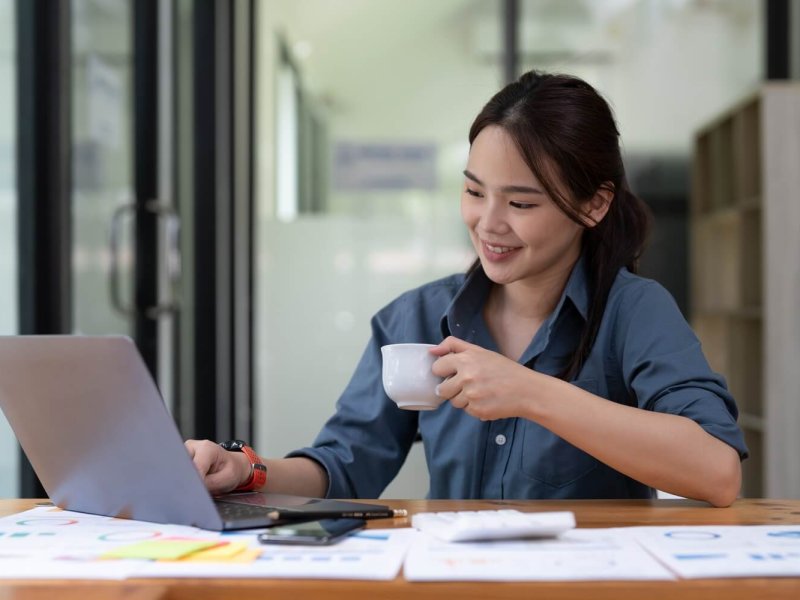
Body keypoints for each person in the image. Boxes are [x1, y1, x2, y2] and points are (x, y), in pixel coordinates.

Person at [186, 70, 747, 507]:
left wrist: (529, 392)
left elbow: (717, 472)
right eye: (475, 192)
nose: (488, 223)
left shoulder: (634, 311)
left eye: (521, 203)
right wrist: (248, 470)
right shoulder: (416, 317)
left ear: (594, 204)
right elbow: (344, 464)